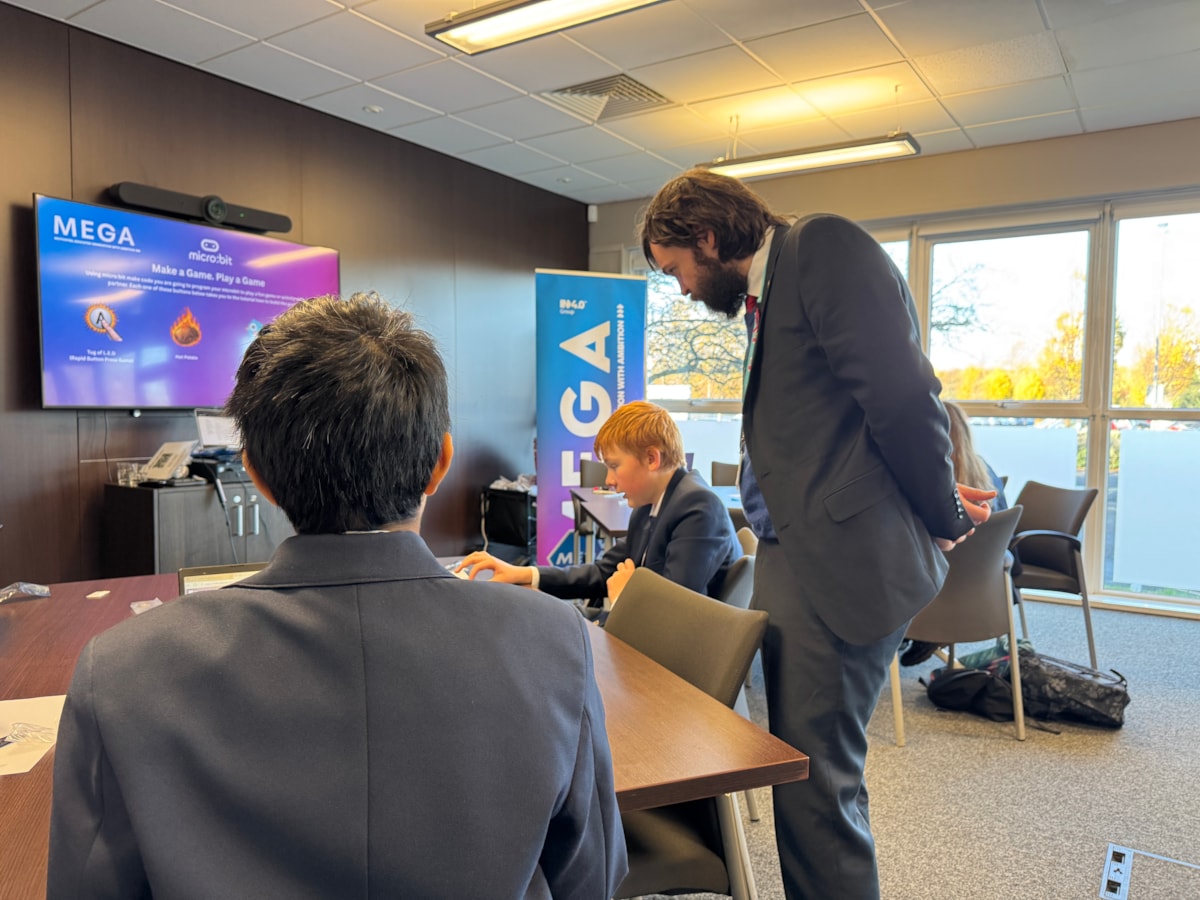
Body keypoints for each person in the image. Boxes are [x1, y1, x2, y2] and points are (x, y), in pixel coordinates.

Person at [48, 293, 627, 899]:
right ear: (440, 463)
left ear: (259, 476)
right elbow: (591, 879)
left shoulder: (121, 671)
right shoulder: (555, 640)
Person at [638, 169, 993, 900]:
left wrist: (940, 515)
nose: (679, 288)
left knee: (816, 790)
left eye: (675, 268)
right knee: (808, 781)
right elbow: (850, 427)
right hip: (801, 557)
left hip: (835, 572)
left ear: (707, 236)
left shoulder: (821, 248)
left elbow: (903, 397)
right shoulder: (772, 294)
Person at [458, 399, 740, 605]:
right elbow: (604, 572)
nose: (610, 481)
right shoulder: (650, 504)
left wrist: (623, 597)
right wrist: (525, 573)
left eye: (614, 466)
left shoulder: (698, 507)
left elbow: (674, 612)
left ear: (652, 459)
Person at [901, 400, 1009, 665]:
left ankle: (912, 633)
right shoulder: (987, 473)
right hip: (981, 590)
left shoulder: (920, 481)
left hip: (928, 591)